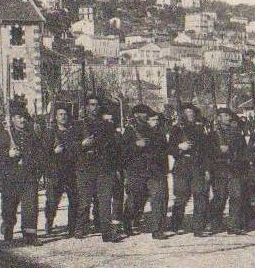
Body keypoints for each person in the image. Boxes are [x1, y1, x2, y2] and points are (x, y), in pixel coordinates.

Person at [72, 95, 117, 242]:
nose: (94, 107)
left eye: (97, 104)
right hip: (85, 167)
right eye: (91, 104)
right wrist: (82, 144)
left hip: (103, 166)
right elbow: (71, 147)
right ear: (86, 107)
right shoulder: (78, 125)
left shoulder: (107, 125)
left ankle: (107, 232)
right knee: (84, 200)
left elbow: (113, 146)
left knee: (105, 200)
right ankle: (80, 227)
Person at [0, 104, 41, 245]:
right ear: (13, 119)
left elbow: (38, 154)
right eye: (19, 117)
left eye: (24, 118)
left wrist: (36, 168)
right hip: (11, 177)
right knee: (9, 206)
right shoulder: (4, 134)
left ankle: (30, 234)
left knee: (31, 205)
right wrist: (8, 154)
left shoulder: (31, 135)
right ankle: (8, 226)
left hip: (28, 176)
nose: (22, 120)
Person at [122, 105, 169, 239]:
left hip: (154, 170)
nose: (148, 116)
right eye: (144, 114)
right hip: (137, 171)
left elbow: (164, 150)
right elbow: (123, 151)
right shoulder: (130, 131)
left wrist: (164, 169)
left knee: (158, 198)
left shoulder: (157, 130)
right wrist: (136, 146)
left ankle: (157, 229)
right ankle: (127, 222)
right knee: (135, 199)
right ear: (136, 115)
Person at [168, 104, 211, 236]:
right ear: (182, 114)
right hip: (182, 165)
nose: (190, 114)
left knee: (200, 196)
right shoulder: (176, 129)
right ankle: (175, 224)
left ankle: (198, 228)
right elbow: (170, 149)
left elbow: (206, 151)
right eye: (187, 112)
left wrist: (207, 169)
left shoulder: (200, 129)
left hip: (198, 165)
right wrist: (180, 147)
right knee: (181, 197)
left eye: (192, 112)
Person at [207, 107, 249, 235]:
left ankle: (233, 225)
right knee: (220, 197)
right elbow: (207, 153)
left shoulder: (237, 134)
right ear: (218, 118)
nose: (227, 118)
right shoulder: (212, 135)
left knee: (236, 196)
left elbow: (244, 152)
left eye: (228, 115)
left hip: (235, 169)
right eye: (224, 115)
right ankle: (215, 223)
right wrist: (219, 151)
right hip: (219, 169)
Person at [42, 105, 79, 237]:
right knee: (52, 201)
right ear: (56, 117)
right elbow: (44, 154)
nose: (63, 117)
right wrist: (54, 152)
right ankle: (49, 222)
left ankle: (72, 227)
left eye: (65, 114)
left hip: (70, 171)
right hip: (55, 172)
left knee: (74, 200)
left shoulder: (72, 132)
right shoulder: (50, 133)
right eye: (60, 114)